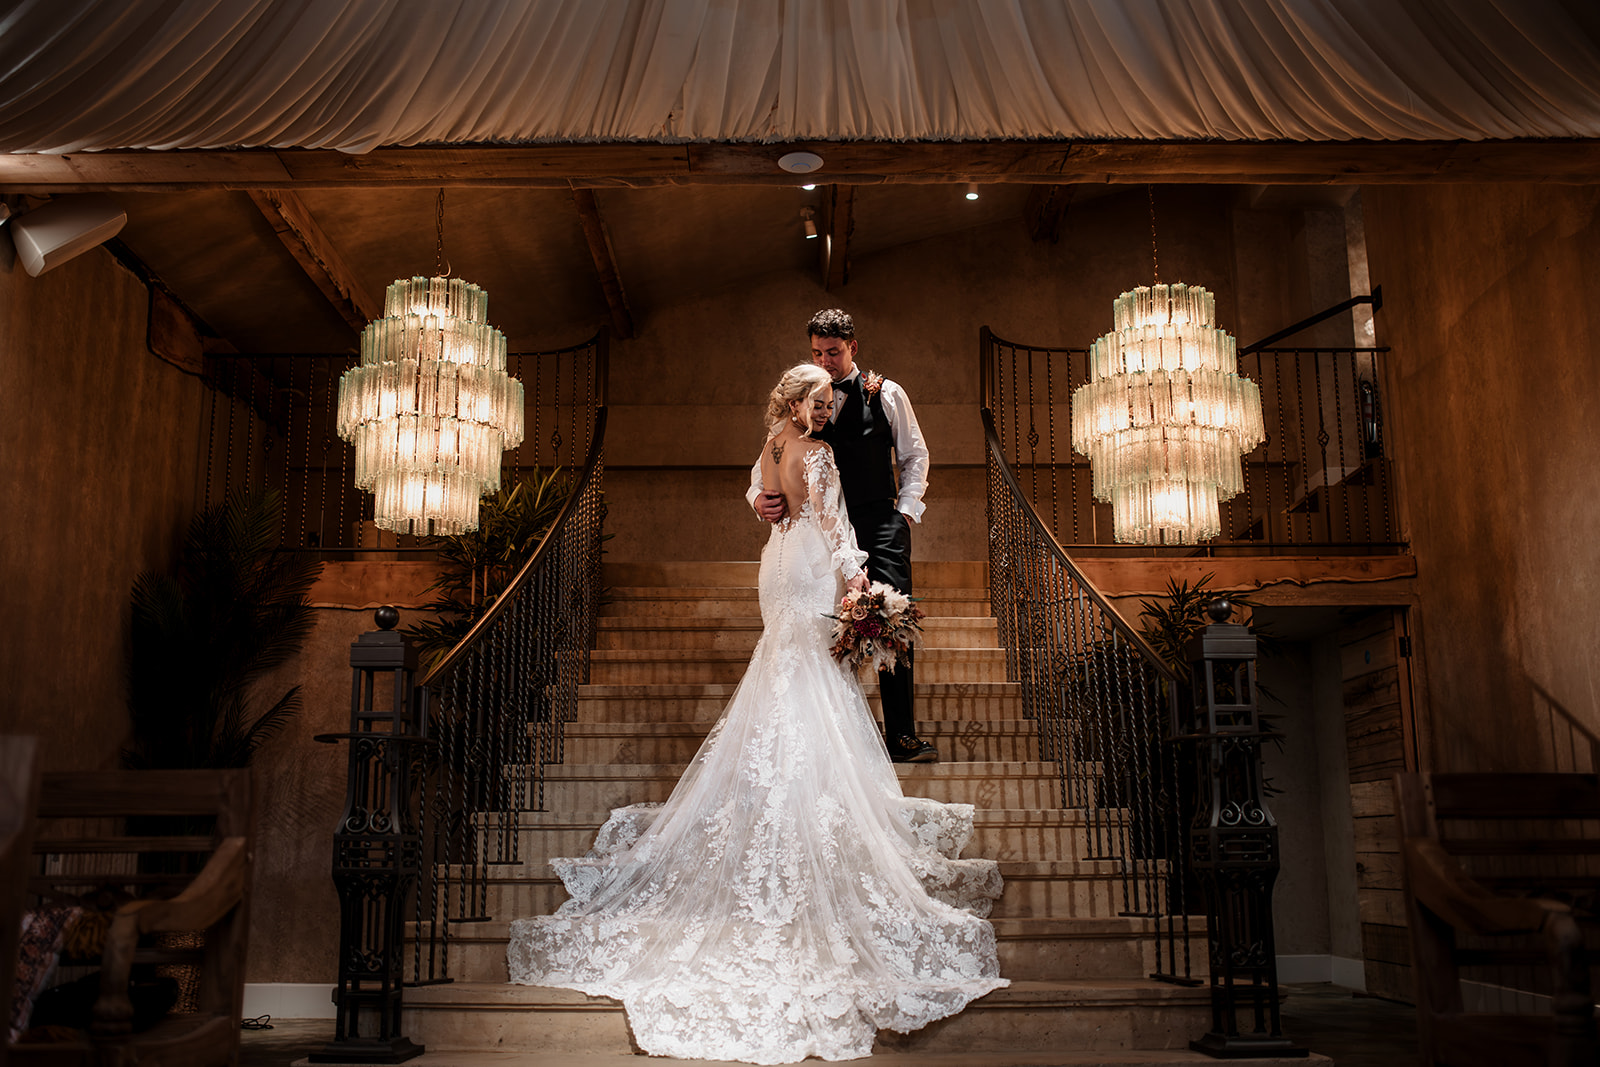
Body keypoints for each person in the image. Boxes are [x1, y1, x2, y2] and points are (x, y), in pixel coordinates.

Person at [507, 363, 1006, 1065]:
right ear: (796, 401)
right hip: (808, 563)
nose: (827, 411)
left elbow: (760, 490)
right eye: (818, 401)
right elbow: (835, 527)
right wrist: (865, 588)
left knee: (786, 664)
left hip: (775, 565)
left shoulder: (773, 441)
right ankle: (806, 793)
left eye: (830, 402)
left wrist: (771, 505)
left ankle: (779, 783)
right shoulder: (819, 453)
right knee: (816, 671)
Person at [748, 309, 938, 764]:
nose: (826, 361)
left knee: (894, 620)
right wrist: (757, 498)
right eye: (817, 352)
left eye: (833, 352)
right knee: (827, 627)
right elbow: (762, 467)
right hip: (822, 535)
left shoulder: (886, 392)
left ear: (853, 347)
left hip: (878, 522)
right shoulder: (804, 399)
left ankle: (901, 735)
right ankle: (834, 739)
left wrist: (904, 514)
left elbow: (916, 455)